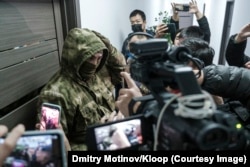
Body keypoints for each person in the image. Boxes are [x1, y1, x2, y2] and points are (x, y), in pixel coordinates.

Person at [36, 28, 126, 151]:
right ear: (75, 57)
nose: (94, 64)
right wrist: (100, 137)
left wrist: (108, 47)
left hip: (114, 138)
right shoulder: (53, 94)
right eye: (90, 58)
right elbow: (51, 148)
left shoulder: (96, 75)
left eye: (99, 58)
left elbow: (121, 68)